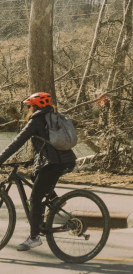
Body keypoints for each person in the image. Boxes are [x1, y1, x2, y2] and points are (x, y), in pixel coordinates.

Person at [0, 93, 76, 251]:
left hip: (52, 164)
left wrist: (1, 158)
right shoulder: (53, 116)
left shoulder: (36, 120)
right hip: (64, 160)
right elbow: (47, 145)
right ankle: (55, 201)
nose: (28, 109)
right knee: (35, 175)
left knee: (34, 199)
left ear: (35, 106)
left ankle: (34, 238)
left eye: (29, 106)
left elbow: (17, 142)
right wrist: (33, 160)